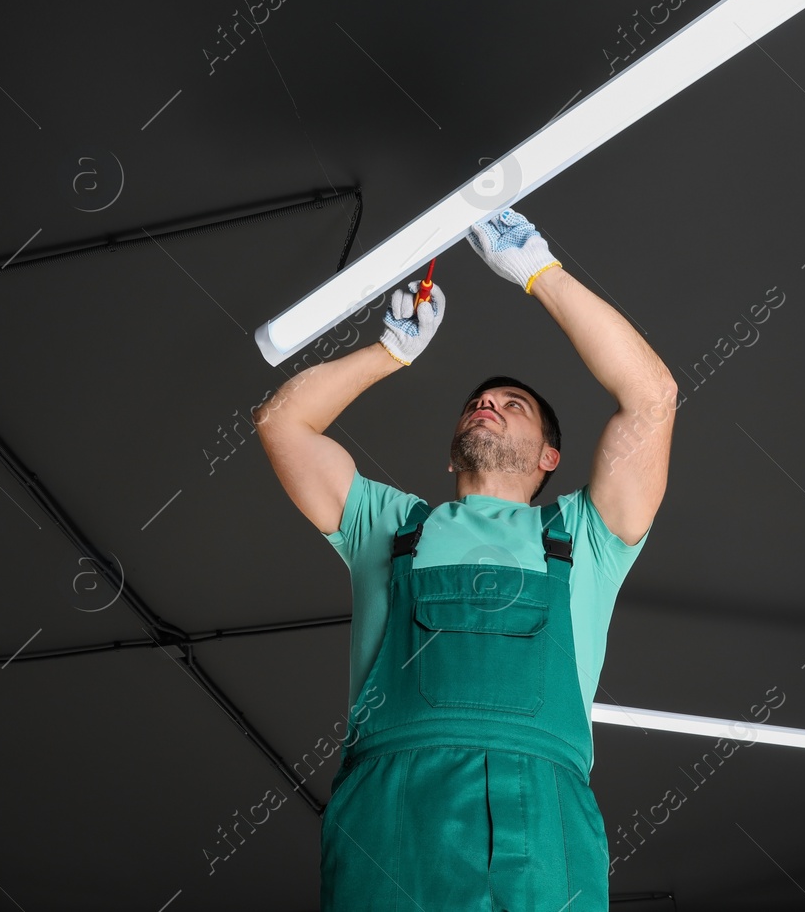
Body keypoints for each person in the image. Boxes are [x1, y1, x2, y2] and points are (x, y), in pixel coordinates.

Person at [253, 208, 678, 911]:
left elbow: (652, 397)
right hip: (393, 813)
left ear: (550, 456)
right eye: (477, 401)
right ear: (452, 448)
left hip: (544, 812)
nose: (487, 402)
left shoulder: (584, 535)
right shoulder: (387, 526)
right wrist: (389, 351)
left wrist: (541, 271)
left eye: (512, 403)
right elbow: (281, 423)